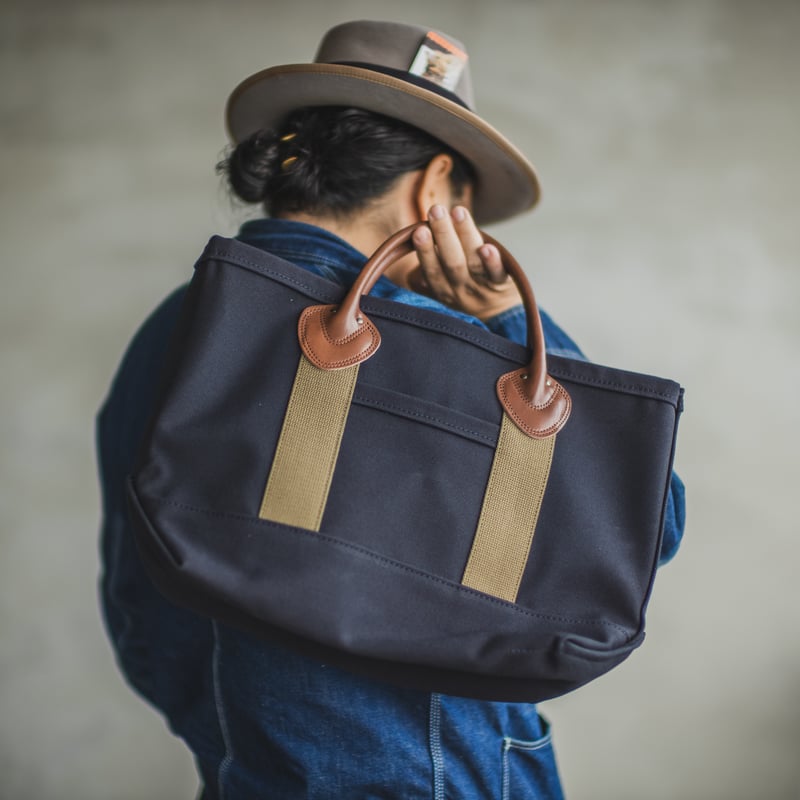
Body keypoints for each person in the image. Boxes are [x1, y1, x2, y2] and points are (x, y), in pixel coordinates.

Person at [97, 20, 685, 799]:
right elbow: (639, 532)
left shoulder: (176, 325)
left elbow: (143, 609)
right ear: (433, 187)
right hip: (431, 772)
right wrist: (509, 322)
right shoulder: (432, 345)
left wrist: (244, 744)